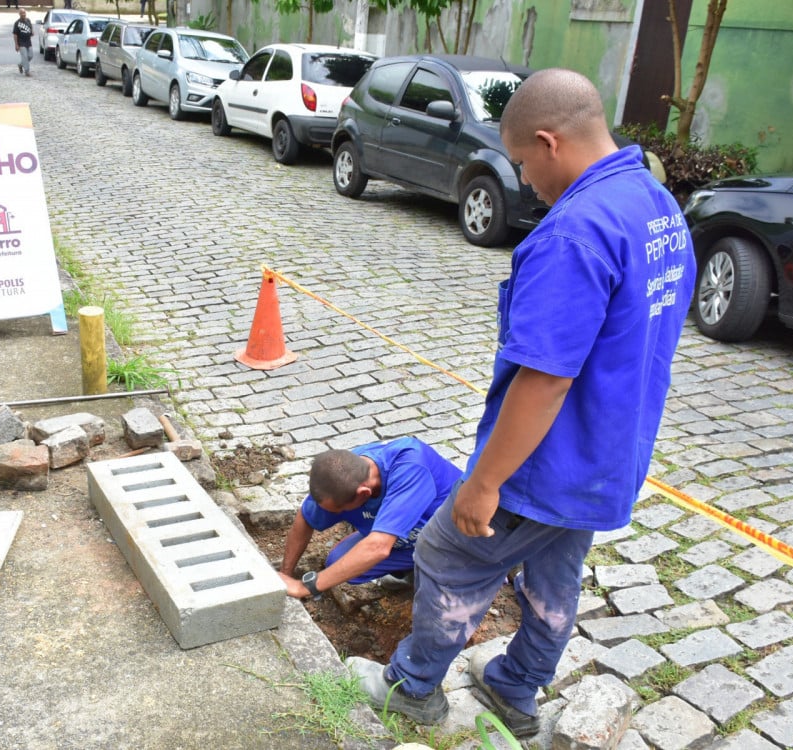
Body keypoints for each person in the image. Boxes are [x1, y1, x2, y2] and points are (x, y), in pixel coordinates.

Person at [346, 68, 696, 736]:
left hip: (546, 462)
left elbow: (546, 379)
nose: (525, 180)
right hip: (608, 453)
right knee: (555, 575)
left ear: (548, 142)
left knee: (447, 554)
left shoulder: (574, 232)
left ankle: (412, 689)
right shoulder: (653, 204)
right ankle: (514, 687)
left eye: (522, 163)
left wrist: (483, 484)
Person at [277, 437, 461, 599]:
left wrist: (304, 588)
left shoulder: (411, 468)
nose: (332, 513)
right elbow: (306, 518)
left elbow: (378, 547)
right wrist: (285, 576)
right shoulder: (339, 476)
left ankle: (448, 579)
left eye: (339, 510)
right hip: (407, 540)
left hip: (452, 542)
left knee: (438, 591)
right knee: (340, 563)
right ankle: (409, 568)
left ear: (364, 493)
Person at [12, 10, 33, 77]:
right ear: (19, 14)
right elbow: (15, 34)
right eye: (22, 13)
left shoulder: (28, 20)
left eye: (24, 13)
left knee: (30, 56)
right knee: (25, 56)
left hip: (28, 41)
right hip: (21, 42)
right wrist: (16, 45)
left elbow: (30, 27)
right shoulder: (17, 23)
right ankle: (27, 71)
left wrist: (32, 31)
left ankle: (21, 64)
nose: (23, 14)